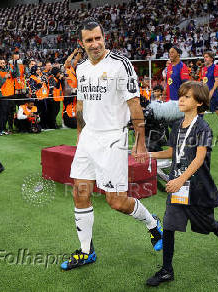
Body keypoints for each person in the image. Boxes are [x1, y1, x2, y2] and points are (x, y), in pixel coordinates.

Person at [60, 19, 163, 271]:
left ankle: (152, 223)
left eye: (98, 38)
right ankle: (86, 252)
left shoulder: (121, 65)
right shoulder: (82, 68)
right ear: (81, 43)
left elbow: (134, 104)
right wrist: (79, 135)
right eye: (89, 40)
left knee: (116, 202)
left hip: (113, 139)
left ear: (104, 37)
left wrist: (139, 141)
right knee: (79, 193)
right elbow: (81, 105)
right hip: (88, 139)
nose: (95, 44)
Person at [146, 81, 218, 287]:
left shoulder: (203, 128)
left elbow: (199, 159)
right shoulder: (177, 125)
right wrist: (148, 155)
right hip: (177, 186)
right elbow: (171, 152)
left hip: (197, 188)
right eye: (181, 96)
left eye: (187, 97)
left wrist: (179, 180)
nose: (181, 99)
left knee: (207, 224)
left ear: (199, 102)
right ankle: (167, 270)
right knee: (168, 226)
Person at [201, 51, 218, 136]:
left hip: (214, 94)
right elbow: (204, 81)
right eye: (204, 57)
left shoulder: (215, 67)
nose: (205, 58)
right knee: (200, 111)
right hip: (205, 93)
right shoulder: (204, 69)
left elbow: (217, 81)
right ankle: (201, 131)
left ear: (211, 58)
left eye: (206, 57)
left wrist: (212, 91)